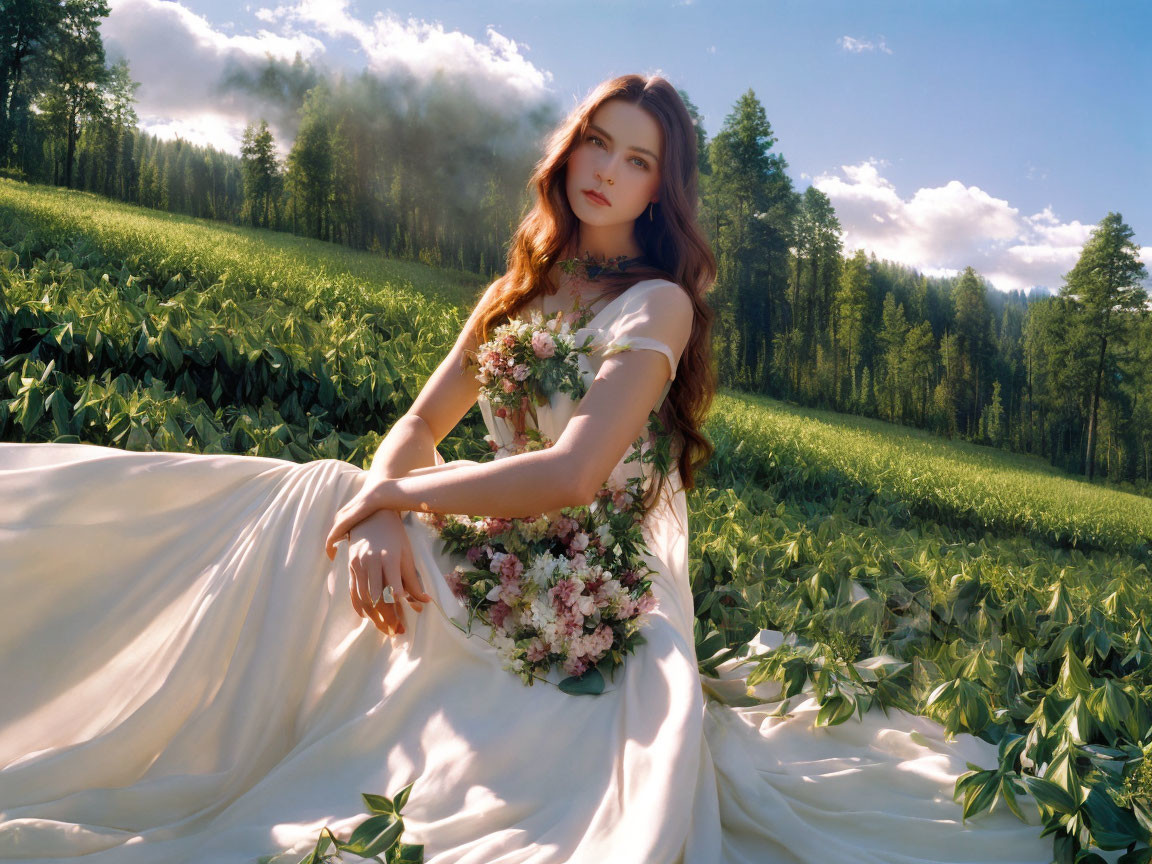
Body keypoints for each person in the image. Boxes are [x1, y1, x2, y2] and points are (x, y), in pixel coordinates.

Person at [0, 74, 1057, 864]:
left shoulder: (658, 307)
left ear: (663, 188)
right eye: (598, 141)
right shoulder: (525, 283)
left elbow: (570, 474)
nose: (607, 168)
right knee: (316, 492)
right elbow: (419, 419)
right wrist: (378, 506)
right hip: (489, 545)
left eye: (638, 159)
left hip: (593, 590)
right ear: (570, 146)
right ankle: (160, 716)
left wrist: (402, 494)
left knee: (351, 499)